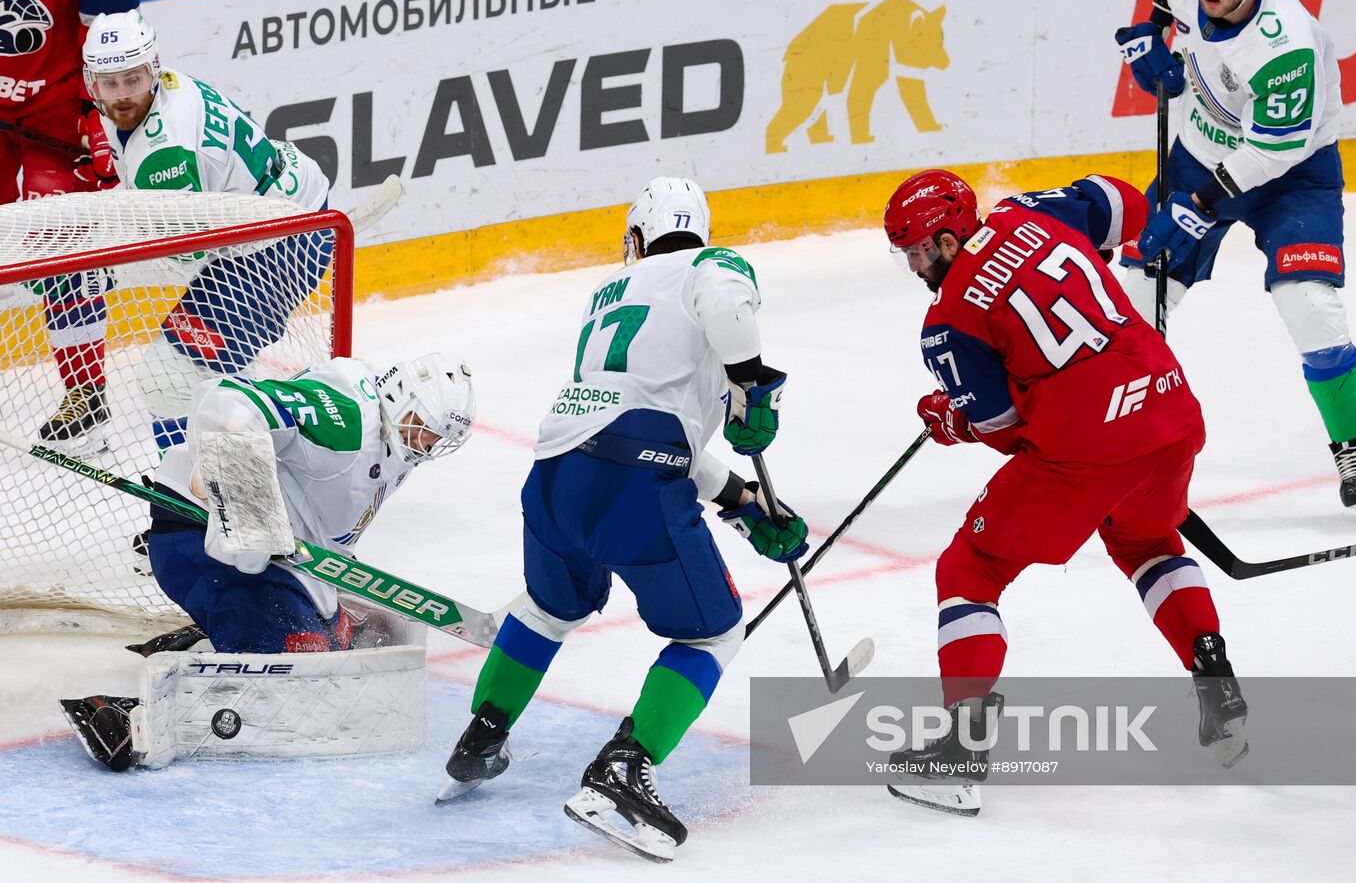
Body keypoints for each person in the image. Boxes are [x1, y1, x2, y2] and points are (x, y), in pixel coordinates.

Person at [438, 177, 809, 864]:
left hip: (552, 474)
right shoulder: (707, 266)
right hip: (632, 483)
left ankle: (483, 732)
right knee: (714, 632)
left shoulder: (610, 290)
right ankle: (625, 763)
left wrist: (743, 503)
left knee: (550, 607)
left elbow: (654, 425)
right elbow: (725, 299)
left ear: (636, 237)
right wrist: (752, 381)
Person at [881, 168, 1247, 817]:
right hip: (1168, 406)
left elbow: (1005, 431)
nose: (917, 265)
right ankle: (1217, 683)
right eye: (906, 253)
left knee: (970, 567)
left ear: (949, 231)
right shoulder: (1032, 210)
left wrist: (954, 418)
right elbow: (1128, 207)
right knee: (1145, 538)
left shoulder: (947, 325)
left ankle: (960, 752)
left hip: (1089, 447)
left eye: (923, 248)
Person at [59, 351, 476, 771]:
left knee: (342, 652)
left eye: (437, 439)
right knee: (294, 681)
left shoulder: (395, 450)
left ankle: (210, 638)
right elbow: (228, 404)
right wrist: (247, 508)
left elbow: (325, 527)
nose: (427, 445)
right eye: (424, 429)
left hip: (273, 564)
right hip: (195, 535)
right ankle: (124, 714)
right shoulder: (348, 419)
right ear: (398, 394)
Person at [1113, 0, 1356, 523]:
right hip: (1197, 155)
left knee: (1308, 302)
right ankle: (1120, 448)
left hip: (1291, 176)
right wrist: (1149, 38)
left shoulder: (1285, 46)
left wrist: (1197, 204)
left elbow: (1270, 154)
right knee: (1132, 298)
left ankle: (1351, 445)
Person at [37, 9, 333, 456]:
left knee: (166, 379)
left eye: (133, 79)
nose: (122, 96)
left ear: (152, 67)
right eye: (110, 83)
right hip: (284, 212)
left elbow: (182, 257)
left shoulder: (164, 152)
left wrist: (94, 271)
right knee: (218, 380)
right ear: (91, 82)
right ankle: (237, 484)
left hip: (276, 245)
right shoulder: (169, 87)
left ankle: (188, 515)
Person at [1, 0, 142, 448]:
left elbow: (111, 39)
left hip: (59, 112)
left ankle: (86, 398)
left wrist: (98, 119)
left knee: (66, 251)